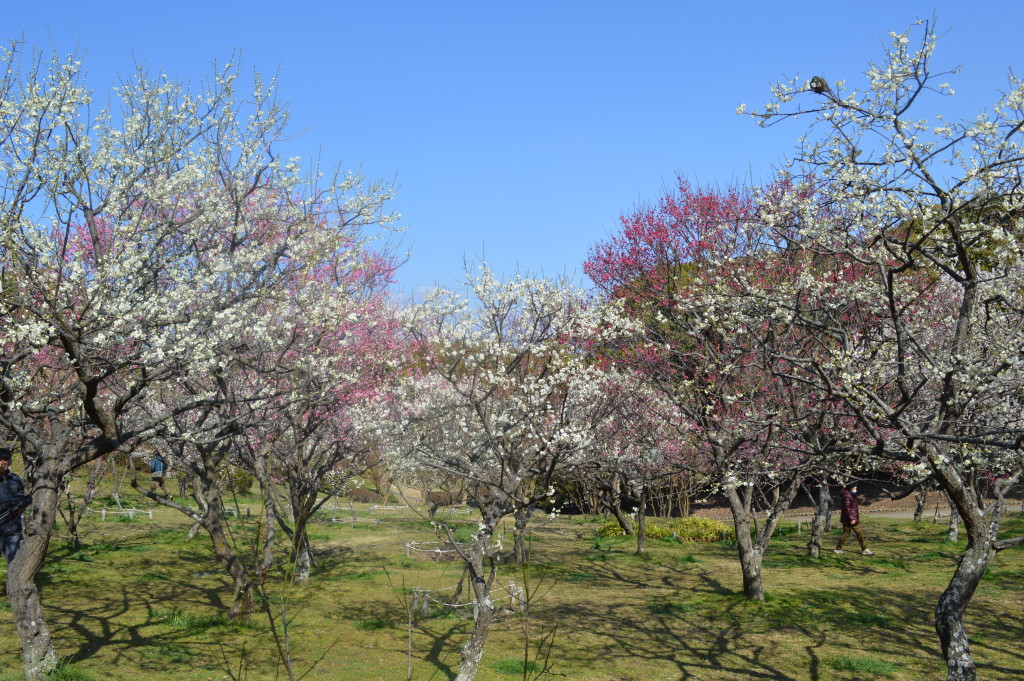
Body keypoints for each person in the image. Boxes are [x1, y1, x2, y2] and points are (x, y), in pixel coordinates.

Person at [0, 448, 26, 564]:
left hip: (13, 530)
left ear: (10, 462)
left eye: (5, 459)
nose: (2, 462)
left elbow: (21, 500)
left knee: (16, 565)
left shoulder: (15, 479)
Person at [834, 481, 873, 555]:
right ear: (851, 487)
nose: (856, 488)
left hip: (850, 519)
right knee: (855, 533)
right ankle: (863, 549)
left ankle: (839, 548)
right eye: (855, 486)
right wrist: (851, 518)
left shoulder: (850, 494)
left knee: (850, 534)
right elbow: (846, 509)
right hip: (850, 519)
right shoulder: (847, 496)